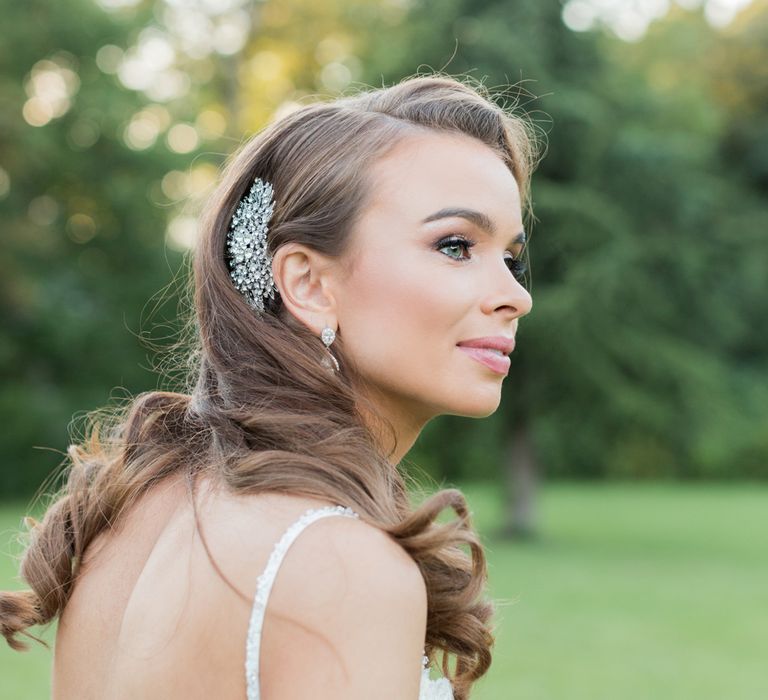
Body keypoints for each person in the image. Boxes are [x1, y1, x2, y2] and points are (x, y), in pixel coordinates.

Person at [0, 73, 539, 699]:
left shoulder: (136, 511)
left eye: (512, 257)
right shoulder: (341, 564)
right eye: (455, 245)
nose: (516, 296)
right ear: (308, 283)